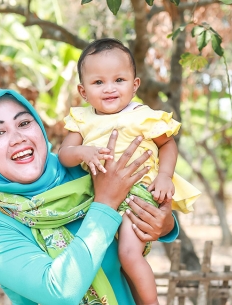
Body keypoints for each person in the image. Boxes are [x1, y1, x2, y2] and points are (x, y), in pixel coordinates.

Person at [0, 88, 180, 304]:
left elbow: (142, 210)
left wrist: (163, 223)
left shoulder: (83, 168)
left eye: (24, 123)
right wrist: (105, 204)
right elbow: (59, 292)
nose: (17, 138)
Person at [58, 38, 201, 305]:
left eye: (119, 80)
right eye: (98, 82)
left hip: (138, 194)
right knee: (115, 261)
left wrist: (164, 176)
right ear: (83, 90)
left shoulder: (142, 115)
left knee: (128, 254)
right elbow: (64, 155)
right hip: (100, 200)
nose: (109, 88)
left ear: (135, 85)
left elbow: (167, 144)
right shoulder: (81, 120)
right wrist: (82, 152)